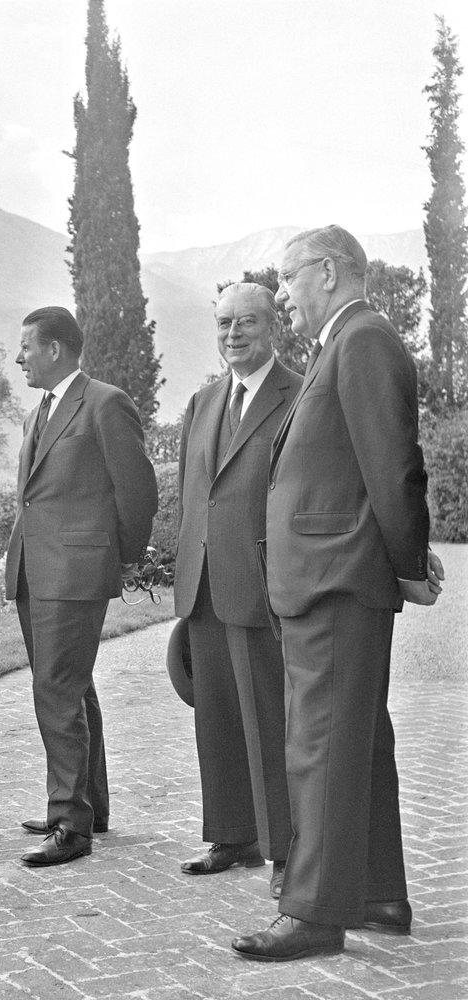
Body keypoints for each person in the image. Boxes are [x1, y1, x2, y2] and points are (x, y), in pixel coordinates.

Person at [232, 226, 445, 961]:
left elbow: (394, 466)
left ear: (326, 271)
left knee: (320, 746)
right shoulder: (344, 343)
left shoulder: (363, 340)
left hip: (334, 580)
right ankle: (380, 894)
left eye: (288, 278)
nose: (283, 293)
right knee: (359, 741)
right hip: (329, 577)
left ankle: (315, 914)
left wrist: (408, 564)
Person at [5, 306, 157, 866]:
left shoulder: (105, 403)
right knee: (72, 687)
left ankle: (70, 825)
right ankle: (89, 805)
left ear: (54, 349)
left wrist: (116, 557)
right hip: (34, 571)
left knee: (56, 690)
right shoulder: (37, 413)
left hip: (75, 573)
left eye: (26, 347)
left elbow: (137, 490)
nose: (19, 358)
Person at [175, 283, 298, 898]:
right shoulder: (202, 402)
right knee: (217, 718)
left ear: (273, 326)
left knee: (269, 724)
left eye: (247, 322)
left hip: (261, 585)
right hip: (202, 585)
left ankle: (285, 853)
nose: (233, 334)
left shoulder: (299, 394)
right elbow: (192, 493)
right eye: (224, 323)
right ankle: (231, 836)